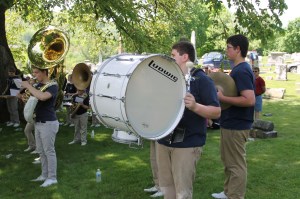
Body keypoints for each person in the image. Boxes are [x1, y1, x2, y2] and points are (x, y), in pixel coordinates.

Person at [157, 41, 221, 199]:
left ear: (185, 57)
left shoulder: (202, 80)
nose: (170, 58)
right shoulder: (170, 78)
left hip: (187, 144)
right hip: (163, 141)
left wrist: (195, 106)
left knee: (182, 193)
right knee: (166, 189)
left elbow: (216, 112)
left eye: (173, 55)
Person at [212, 34, 255, 199]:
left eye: (229, 47)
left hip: (237, 125)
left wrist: (222, 98)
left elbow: (249, 99)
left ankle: (235, 195)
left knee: (236, 163)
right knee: (228, 160)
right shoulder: (238, 69)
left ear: (238, 49)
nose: (226, 50)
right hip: (230, 122)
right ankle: (228, 191)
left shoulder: (242, 70)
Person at [21, 66, 59, 187]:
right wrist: (25, 95)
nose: (34, 75)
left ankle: (52, 178)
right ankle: (44, 174)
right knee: (41, 152)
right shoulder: (37, 85)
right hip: (38, 121)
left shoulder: (53, 85)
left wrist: (28, 86)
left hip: (48, 122)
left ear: (44, 72)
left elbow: (43, 97)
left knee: (49, 151)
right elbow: (30, 97)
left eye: (36, 72)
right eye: (33, 73)